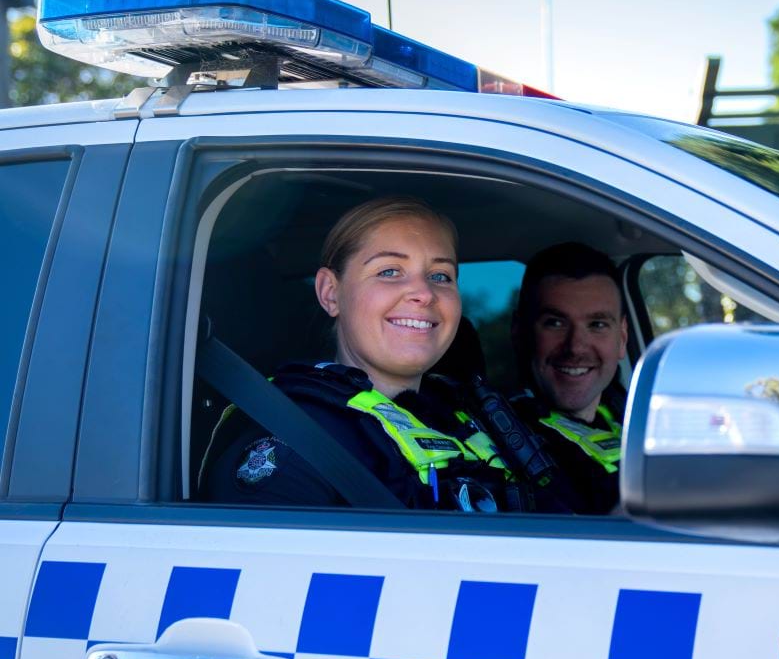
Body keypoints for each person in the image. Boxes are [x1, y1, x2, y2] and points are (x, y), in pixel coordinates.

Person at [201, 196, 524, 512]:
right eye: (389, 271)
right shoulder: (295, 444)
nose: (425, 294)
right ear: (330, 293)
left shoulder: (483, 422)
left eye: (440, 276)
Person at [510, 242, 629, 515]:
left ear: (622, 338)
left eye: (597, 325)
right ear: (519, 332)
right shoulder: (501, 442)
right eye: (555, 322)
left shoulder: (633, 414)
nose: (576, 347)